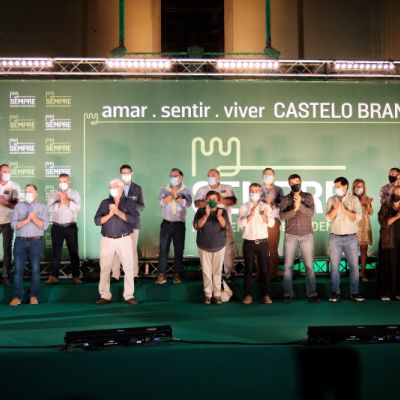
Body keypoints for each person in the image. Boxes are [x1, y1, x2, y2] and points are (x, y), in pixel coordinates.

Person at [94, 179, 138, 305]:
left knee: (128, 268)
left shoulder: (129, 202)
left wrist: (117, 212)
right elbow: (97, 221)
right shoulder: (105, 203)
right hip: (106, 239)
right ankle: (105, 295)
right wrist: (110, 214)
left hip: (124, 239)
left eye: (114, 187)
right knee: (105, 268)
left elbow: (133, 220)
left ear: (121, 188)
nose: (111, 189)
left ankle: (129, 296)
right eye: (110, 187)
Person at [279, 174, 319, 303]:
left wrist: (300, 205)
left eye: (297, 182)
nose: (295, 184)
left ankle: (312, 294)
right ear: (289, 184)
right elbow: (282, 216)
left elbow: (311, 213)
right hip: (290, 235)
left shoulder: (308, 196)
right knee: (288, 266)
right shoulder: (285, 198)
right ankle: (287, 294)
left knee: (309, 266)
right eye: (292, 183)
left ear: (301, 182)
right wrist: (294, 209)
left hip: (306, 235)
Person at [9, 184, 49, 306]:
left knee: (35, 270)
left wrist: (34, 218)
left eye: (30, 191)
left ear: (36, 193)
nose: (28, 194)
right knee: (18, 270)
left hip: (36, 242)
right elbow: (13, 225)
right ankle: (16, 297)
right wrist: (27, 220)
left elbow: (44, 226)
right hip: (20, 242)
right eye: (26, 192)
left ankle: (33, 296)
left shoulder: (42, 207)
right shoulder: (18, 206)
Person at [326, 177, 364, 302]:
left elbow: (358, 217)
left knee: (354, 266)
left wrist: (344, 209)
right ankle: (335, 292)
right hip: (334, 238)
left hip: (350, 238)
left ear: (345, 186)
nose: (336, 189)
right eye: (335, 187)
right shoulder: (331, 199)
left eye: (338, 186)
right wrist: (335, 208)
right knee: (334, 267)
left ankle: (354, 292)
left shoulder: (354, 199)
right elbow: (328, 218)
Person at [194, 169, 237, 280]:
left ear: (219, 177)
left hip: (224, 222)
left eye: (213, 175)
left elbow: (233, 201)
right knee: (209, 249)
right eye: (209, 175)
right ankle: (210, 275)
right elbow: (197, 203)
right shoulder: (202, 189)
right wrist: (209, 201)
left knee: (228, 248)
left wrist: (220, 200)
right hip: (207, 223)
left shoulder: (227, 188)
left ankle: (229, 273)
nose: (210, 177)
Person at [238, 183, 274, 304]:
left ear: (260, 192)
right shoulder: (244, 207)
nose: (254, 193)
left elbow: (272, 223)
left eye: (256, 191)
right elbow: (240, 224)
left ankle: (266, 295)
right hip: (249, 242)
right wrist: (250, 215)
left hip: (263, 243)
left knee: (264, 270)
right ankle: (248, 295)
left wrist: (265, 217)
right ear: (249, 192)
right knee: (248, 269)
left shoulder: (265, 206)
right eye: (252, 191)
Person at [156, 168, 192, 284]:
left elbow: (187, 204)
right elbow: (161, 203)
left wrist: (176, 197)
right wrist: (172, 195)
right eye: (171, 176)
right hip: (166, 224)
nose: (173, 178)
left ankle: (177, 274)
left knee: (179, 250)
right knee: (163, 249)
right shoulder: (164, 188)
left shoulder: (186, 190)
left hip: (179, 225)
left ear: (181, 177)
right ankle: (162, 274)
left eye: (175, 176)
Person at [193, 190, 229, 304]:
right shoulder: (200, 211)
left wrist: (219, 217)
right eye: (209, 199)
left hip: (219, 245)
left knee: (217, 272)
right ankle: (208, 295)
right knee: (206, 272)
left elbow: (225, 226)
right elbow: (197, 226)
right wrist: (206, 215)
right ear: (206, 200)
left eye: (214, 199)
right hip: (204, 246)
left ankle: (217, 295)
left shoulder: (222, 211)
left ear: (218, 200)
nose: (212, 201)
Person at [46, 173, 82, 284]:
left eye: (64, 181)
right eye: (60, 181)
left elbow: (78, 208)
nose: (62, 183)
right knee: (56, 253)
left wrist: (67, 200)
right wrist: (59, 202)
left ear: (69, 182)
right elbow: (48, 209)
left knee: (73, 252)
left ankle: (76, 276)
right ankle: (54, 276)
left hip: (70, 227)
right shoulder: (53, 194)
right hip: (57, 227)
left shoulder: (75, 194)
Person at [111, 164, 144, 280]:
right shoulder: (115, 187)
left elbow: (141, 206)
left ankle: (134, 274)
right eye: (123, 173)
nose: (125, 175)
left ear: (131, 173)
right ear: (120, 174)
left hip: (133, 223)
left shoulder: (137, 188)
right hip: (118, 223)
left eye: (127, 173)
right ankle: (115, 275)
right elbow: (111, 203)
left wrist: (129, 206)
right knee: (116, 249)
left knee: (132, 249)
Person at [377, 186, 400, 301]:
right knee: (387, 266)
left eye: (399, 192)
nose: (397, 194)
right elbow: (383, 222)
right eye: (395, 192)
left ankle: (397, 292)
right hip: (388, 242)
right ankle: (385, 292)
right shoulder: (385, 206)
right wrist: (396, 216)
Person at [261, 167, 284, 280]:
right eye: (266, 174)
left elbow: (281, 206)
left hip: (273, 220)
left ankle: (273, 273)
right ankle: (260, 274)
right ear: (263, 176)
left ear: (274, 176)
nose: (267, 176)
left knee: (273, 248)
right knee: (259, 248)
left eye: (270, 174)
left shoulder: (278, 190)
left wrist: (271, 204)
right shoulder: (257, 188)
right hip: (260, 221)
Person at [0, 163, 20, 285]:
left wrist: (4, 203)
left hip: (7, 221)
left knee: (7, 249)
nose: (7, 173)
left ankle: (5, 275)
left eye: (8, 171)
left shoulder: (14, 186)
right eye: (4, 171)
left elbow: (16, 206)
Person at [352, 179, 373, 282]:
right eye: (357, 186)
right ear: (353, 187)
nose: (359, 188)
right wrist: (361, 203)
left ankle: (363, 272)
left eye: (361, 186)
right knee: (353, 252)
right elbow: (351, 212)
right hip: (354, 227)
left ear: (364, 188)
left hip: (365, 227)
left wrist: (368, 204)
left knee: (364, 251)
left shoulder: (367, 198)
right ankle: (354, 273)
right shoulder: (350, 198)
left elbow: (370, 213)